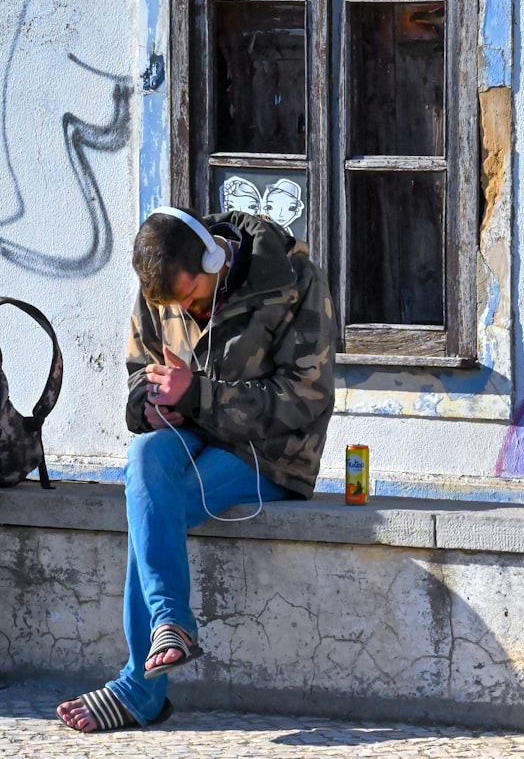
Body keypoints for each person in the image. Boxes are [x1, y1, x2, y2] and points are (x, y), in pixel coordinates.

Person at [57, 206, 335, 732]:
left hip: (268, 455)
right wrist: (152, 404)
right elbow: (140, 371)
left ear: (215, 257)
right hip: (190, 440)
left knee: (151, 513)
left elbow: (307, 397)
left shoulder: (295, 279)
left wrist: (200, 394)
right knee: (143, 458)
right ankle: (171, 624)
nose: (186, 309)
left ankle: (142, 687)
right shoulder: (159, 282)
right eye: (175, 305)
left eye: (191, 297)